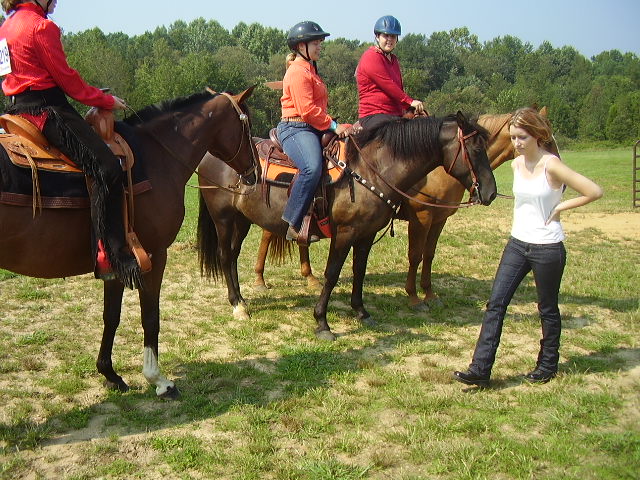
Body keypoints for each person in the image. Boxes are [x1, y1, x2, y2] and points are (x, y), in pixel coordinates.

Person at [453, 107, 603, 387]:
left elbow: (594, 191)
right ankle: (480, 369)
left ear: (537, 135)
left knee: (547, 308)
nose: (517, 144)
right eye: (513, 138)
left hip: (548, 247)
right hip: (517, 244)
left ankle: (547, 365)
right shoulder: (515, 165)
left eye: (522, 137)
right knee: (496, 304)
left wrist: (560, 206)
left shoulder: (552, 164)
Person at [0, 0, 141, 288]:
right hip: (47, 111)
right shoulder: (41, 26)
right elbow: (68, 82)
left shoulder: (6, 27)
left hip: (14, 111)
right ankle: (112, 255)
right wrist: (107, 101)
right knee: (107, 169)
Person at [277, 21, 349, 244]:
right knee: (312, 167)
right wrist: (335, 126)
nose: (320, 47)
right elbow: (307, 111)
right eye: (315, 43)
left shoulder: (311, 70)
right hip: (295, 128)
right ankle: (293, 222)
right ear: (301, 46)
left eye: (320, 42)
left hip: (312, 127)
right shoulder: (298, 72)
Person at [355, 15, 426, 131]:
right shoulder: (370, 57)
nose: (390, 39)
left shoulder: (394, 60)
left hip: (394, 115)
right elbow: (388, 85)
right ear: (377, 36)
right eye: (385, 35)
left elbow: (399, 89)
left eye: (393, 36)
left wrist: (411, 109)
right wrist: (410, 101)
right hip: (374, 115)